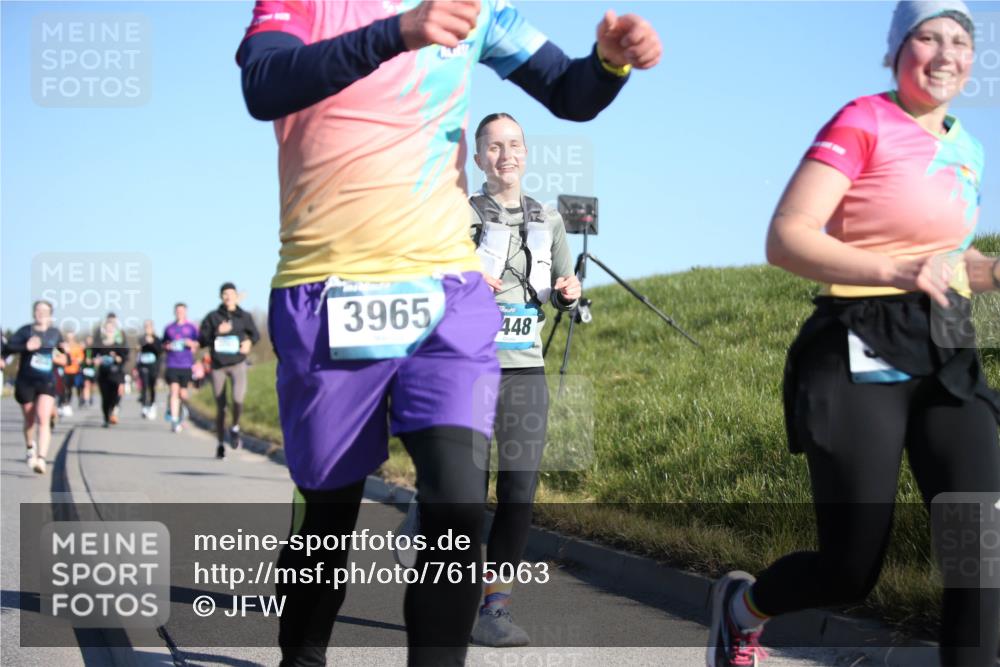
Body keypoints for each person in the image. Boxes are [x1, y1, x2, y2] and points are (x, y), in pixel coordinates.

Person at [236, 1, 660, 664]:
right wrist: (395, 32)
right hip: (328, 290)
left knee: (459, 504)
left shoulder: (476, 9)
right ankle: (302, 654)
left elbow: (568, 92)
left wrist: (609, 62)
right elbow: (264, 85)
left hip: (445, 293)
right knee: (328, 514)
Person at [707, 3, 999, 666]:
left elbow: (952, 263)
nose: (946, 52)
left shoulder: (969, 147)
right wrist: (898, 268)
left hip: (946, 347)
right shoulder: (863, 119)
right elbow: (787, 238)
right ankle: (741, 608)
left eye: (961, 40)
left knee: (979, 548)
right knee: (850, 566)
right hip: (857, 340)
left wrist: (992, 270)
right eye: (928, 37)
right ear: (898, 49)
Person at [199, 282, 260, 459]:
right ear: (221, 297)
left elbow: (255, 335)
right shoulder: (212, 317)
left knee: (237, 399)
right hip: (218, 365)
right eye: (225, 294)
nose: (228, 297)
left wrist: (249, 343)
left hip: (238, 363)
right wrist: (217, 332)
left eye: (231, 294)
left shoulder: (244, 316)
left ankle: (235, 427)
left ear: (236, 295)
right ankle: (220, 444)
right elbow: (202, 339)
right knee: (221, 407)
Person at [7, 301, 66, 474]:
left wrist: (63, 351)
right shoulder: (25, 331)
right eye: (38, 310)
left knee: (43, 417)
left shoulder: (55, 333)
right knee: (29, 419)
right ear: (34, 313)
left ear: (50, 314)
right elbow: (9, 347)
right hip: (26, 380)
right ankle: (29, 447)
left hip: (46, 380)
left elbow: (61, 352)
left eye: (45, 311)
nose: (41, 313)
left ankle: (41, 458)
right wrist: (26, 346)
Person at [162, 303, 199, 433]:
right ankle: (174, 420)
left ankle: (181, 414)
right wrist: (167, 347)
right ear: (174, 312)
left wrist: (192, 344)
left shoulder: (192, 327)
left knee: (183, 394)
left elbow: (198, 343)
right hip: (172, 364)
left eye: (182, 311)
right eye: (178, 311)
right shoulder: (169, 328)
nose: (180, 313)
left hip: (186, 364)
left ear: (186, 312)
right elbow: (163, 344)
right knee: (174, 391)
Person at [92, 315, 129, 427]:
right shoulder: (99, 345)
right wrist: (95, 360)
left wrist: (118, 358)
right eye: (107, 328)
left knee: (116, 396)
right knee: (105, 398)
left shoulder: (119, 345)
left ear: (115, 330)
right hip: (103, 374)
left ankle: (113, 410)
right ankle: (106, 418)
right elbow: (91, 355)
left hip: (116, 374)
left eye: (111, 329)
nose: (109, 331)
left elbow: (124, 359)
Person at [136, 319, 163, 420]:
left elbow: (160, 351)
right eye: (146, 327)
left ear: (152, 328)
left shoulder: (156, 339)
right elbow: (138, 352)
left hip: (153, 366)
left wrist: (152, 343)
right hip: (143, 365)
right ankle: (144, 406)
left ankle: (152, 405)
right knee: (144, 385)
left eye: (149, 327)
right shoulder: (141, 339)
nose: (147, 329)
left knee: (151, 386)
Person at [59, 331, 85, 416]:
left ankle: (68, 404)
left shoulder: (77, 347)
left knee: (70, 388)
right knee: (63, 388)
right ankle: (62, 404)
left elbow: (80, 358)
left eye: (71, 337)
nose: (70, 338)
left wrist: (73, 359)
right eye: (68, 337)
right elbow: (57, 355)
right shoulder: (62, 346)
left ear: (74, 337)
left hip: (74, 371)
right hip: (64, 370)